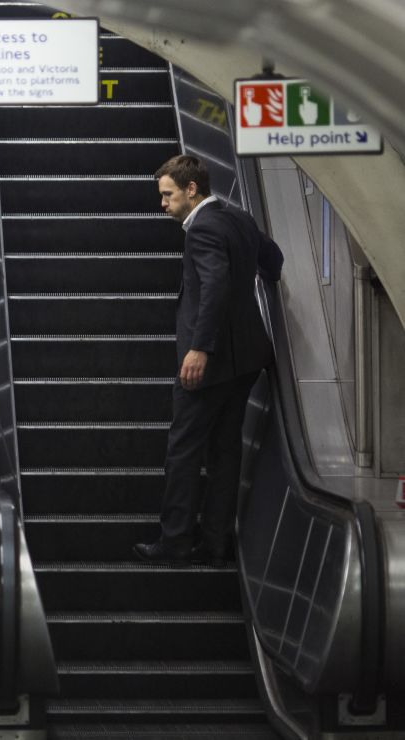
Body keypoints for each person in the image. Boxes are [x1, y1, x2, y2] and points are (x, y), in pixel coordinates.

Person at [134, 155, 284, 566]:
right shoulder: (239, 219)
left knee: (183, 449)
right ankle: (216, 541)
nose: (162, 204)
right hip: (246, 361)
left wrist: (200, 348)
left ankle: (176, 540)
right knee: (225, 450)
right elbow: (274, 261)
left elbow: (215, 284)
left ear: (191, 190)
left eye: (167, 195)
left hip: (211, 363)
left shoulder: (201, 230)